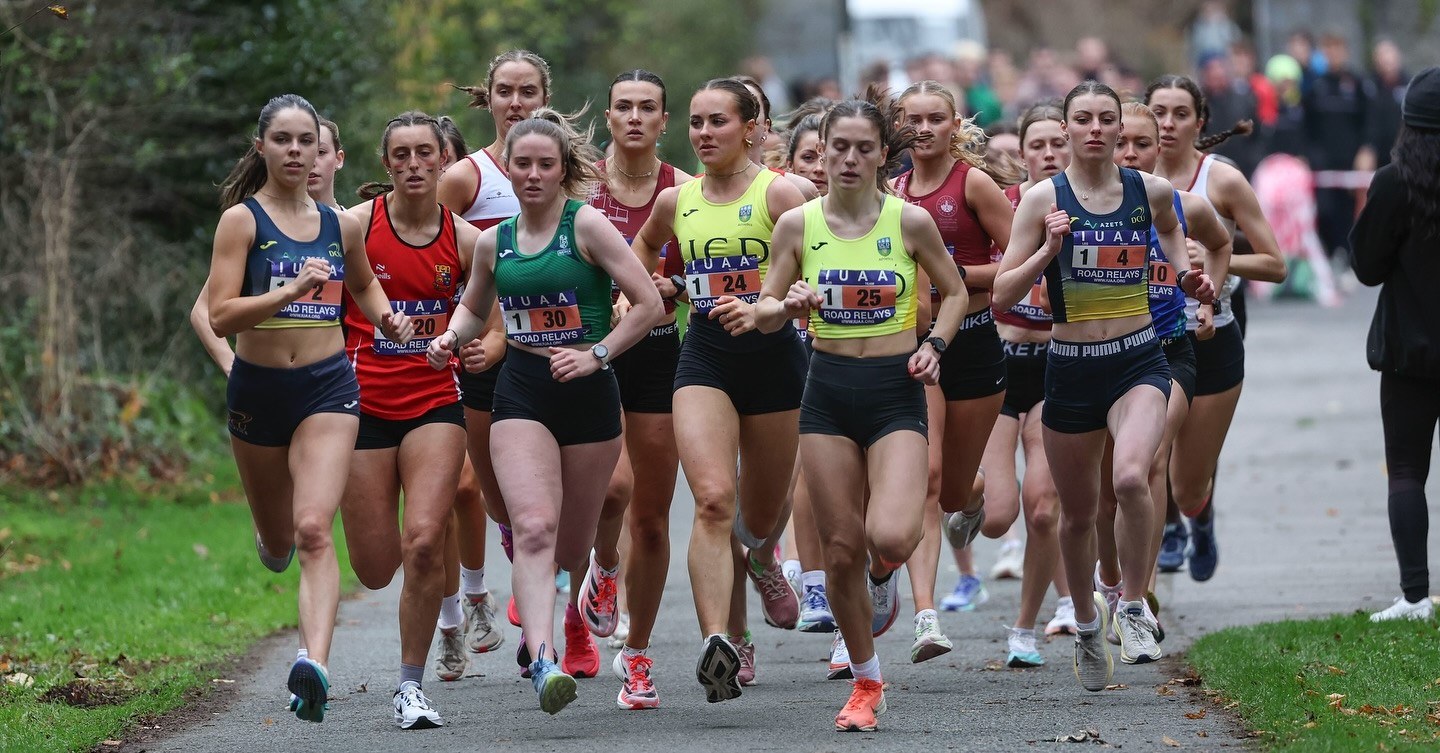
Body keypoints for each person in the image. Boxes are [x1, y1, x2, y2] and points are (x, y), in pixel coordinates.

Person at [426, 108, 664, 714]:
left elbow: (647, 304)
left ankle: (590, 578)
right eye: (523, 164)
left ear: (563, 170)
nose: (532, 175)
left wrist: (596, 354)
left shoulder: (587, 227)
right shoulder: (494, 241)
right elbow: (473, 308)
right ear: (507, 167)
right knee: (533, 528)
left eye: (545, 165)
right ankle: (544, 659)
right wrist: (450, 337)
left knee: (570, 547)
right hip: (522, 389)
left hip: (588, 393)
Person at [753, 89, 967, 731]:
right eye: (838, 147)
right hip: (826, 390)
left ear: (881, 156)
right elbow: (763, 312)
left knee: (891, 536)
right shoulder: (798, 225)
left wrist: (935, 345)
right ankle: (867, 682)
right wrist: (787, 305)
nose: (848, 159)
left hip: (894, 390)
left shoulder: (909, 222)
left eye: (862, 149)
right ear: (822, 151)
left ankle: (884, 575)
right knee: (840, 548)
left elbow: (955, 293)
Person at [993, 81, 1214, 690]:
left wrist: (1186, 278)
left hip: (1139, 359)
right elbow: (1003, 292)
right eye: (1083, 119)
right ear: (1066, 129)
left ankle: (1134, 606)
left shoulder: (1151, 190)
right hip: (1070, 366)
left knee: (1132, 477)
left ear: (1121, 128)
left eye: (1106, 119)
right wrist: (1048, 250)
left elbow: (1172, 233)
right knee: (1077, 515)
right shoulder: (1041, 200)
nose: (1095, 129)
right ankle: (1088, 627)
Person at [208, 94, 413, 721]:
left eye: (306, 141)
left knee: (314, 529)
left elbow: (365, 284)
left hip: (328, 387)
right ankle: (270, 542)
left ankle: (313, 665)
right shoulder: (242, 222)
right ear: (262, 148)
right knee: (279, 542)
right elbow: (220, 315)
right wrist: (289, 291)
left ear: (320, 151)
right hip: (258, 391)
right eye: (283, 140)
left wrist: (387, 318)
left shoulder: (339, 225)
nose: (296, 151)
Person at [631, 77, 808, 703]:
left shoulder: (780, 193)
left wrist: (780, 305)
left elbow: (820, 258)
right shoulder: (675, 199)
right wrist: (649, 289)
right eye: (697, 123)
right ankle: (718, 642)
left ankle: (760, 559)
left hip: (776, 363)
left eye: (719, 122)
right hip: (704, 357)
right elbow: (644, 249)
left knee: (757, 520)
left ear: (751, 127)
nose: (704, 134)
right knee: (711, 500)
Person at [335, 111, 481, 729]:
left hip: (434, 402)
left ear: (444, 160)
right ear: (386, 163)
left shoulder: (467, 241)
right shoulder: (353, 226)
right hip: (362, 405)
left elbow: (493, 314)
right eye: (402, 155)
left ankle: (410, 687)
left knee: (423, 540)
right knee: (374, 568)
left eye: (426, 153)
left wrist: (480, 345)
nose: (415, 164)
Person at [1094, 102, 1233, 643]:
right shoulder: (1080, 206)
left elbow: (1220, 244)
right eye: (1121, 142)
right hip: (1102, 356)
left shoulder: (1184, 205)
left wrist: (1207, 300)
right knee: (1106, 488)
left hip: (1168, 353)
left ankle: (1141, 595)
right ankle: (1112, 581)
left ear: (1160, 148)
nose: (1130, 153)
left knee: (1147, 462)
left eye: (1142, 144)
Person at [583, 69, 695, 710]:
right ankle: (603, 566)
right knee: (613, 491)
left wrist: (666, 290)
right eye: (622, 106)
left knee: (651, 520)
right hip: (590, 353)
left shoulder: (685, 191)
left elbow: (711, 272)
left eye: (646, 107)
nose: (633, 117)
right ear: (607, 116)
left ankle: (639, 655)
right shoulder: (581, 188)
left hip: (655, 353)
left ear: (662, 120)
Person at [1146, 75, 1287, 580]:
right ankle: (1155, 552)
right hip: (1145, 339)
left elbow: (1276, 264)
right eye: (1158, 112)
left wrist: (1213, 262)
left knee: (1186, 485)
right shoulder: (1124, 178)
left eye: (1180, 114)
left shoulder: (1221, 181)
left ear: (1199, 122)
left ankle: (1197, 518)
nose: (1167, 124)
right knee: (1146, 460)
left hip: (1211, 337)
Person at [893, 80, 1015, 661]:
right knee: (930, 474)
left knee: (953, 490)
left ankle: (975, 494)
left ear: (954, 125)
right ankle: (925, 616)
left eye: (934, 118)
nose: (922, 129)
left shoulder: (973, 183)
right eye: (911, 119)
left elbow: (1019, 261)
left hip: (974, 339)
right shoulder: (890, 191)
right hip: (919, 346)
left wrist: (954, 277)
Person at [441, 50, 552, 647]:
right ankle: (513, 554)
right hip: (482, 354)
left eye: (527, 91)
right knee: (492, 493)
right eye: (505, 91)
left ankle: (563, 593)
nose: (516, 102)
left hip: (554, 350)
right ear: (488, 99)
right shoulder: (468, 177)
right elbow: (429, 257)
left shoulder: (565, 170)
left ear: (544, 98)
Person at [978, 101, 1076, 668]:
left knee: (1042, 508)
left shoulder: (1090, 206)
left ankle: (1024, 628)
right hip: (998, 364)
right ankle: (960, 503)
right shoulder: (1003, 207)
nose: (1048, 154)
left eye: (1056, 144)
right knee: (997, 517)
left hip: (1055, 365)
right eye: (1036, 145)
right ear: (1021, 153)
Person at [1352, 67, 1440, 622]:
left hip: (1410, 349)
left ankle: (1414, 595)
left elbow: (1366, 266)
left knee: (1406, 469)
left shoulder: (1393, 183)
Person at [191, 118, 346, 375]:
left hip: (336, 381)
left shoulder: (353, 227)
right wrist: (232, 367)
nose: (310, 159)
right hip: (268, 377)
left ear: (338, 159)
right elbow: (204, 310)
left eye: (320, 151)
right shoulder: (256, 225)